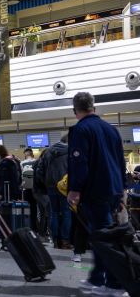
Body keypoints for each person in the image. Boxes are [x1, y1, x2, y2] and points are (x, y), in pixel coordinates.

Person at [67, 92, 126, 296]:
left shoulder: (81, 130)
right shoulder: (111, 129)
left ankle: (113, 283)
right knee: (102, 236)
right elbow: (121, 162)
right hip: (113, 190)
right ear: (94, 107)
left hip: (95, 191)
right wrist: (121, 192)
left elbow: (79, 162)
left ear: (75, 111)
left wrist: (74, 190)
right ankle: (98, 278)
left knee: (103, 238)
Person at [43, 135, 72, 250]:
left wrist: (46, 182)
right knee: (66, 213)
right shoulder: (70, 151)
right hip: (65, 186)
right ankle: (65, 241)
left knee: (54, 212)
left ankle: (55, 240)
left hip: (50, 185)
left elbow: (41, 168)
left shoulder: (48, 151)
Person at [33, 150, 52, 243]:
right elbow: (40, 178)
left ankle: (42, 234)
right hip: (43, 192)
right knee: (47, 213)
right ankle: (46, 234)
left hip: (38, 191)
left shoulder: (37, 162)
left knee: (43, 214)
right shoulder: (42, 163)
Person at [20, 148, 38, 232]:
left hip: (26, 189)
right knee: (36, 209)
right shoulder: (36, 162)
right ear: (32, 154)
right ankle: (37, 228)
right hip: (36, 189)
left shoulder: (22, 163)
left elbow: (20, 177)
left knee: (28, 209)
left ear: (25, 155)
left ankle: (29, 227)